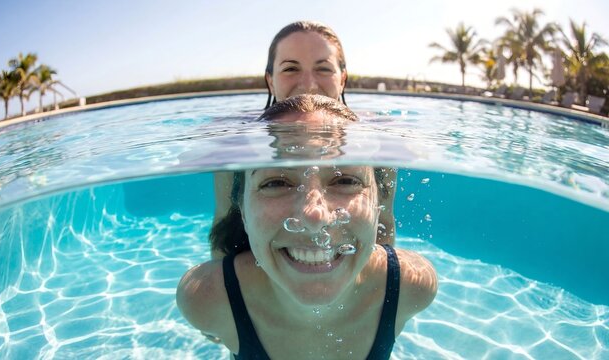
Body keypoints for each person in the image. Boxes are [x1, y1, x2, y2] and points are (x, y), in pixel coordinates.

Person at [178, 95, 437, 359]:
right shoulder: (207, 300)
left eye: (346, 180)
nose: (315, 217)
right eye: (276, 183)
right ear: (242, 211)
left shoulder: (411, 285)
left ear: (378, 204)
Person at [213, 22, 396, 258]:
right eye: (290, 69)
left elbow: (384, 223)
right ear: (270, 80)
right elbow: (224, 228)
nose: (308, 85)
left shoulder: (377, 136)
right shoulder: (235, 139)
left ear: (342, 79)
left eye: (323, 69)